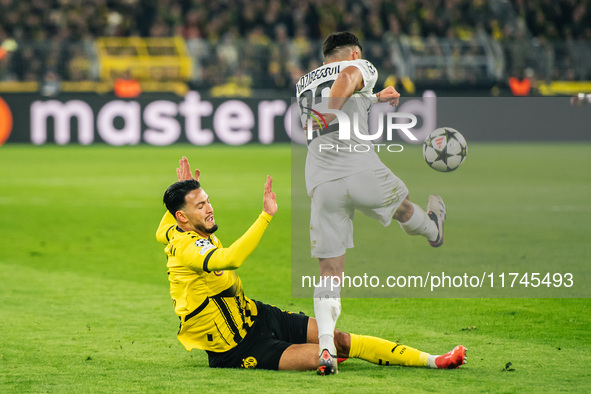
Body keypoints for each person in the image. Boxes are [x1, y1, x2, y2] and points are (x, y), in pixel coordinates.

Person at [155, 157, 466, 372]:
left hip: (254, 315)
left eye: (207, 199)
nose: (210, 208)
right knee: (326, 354)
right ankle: (319, 360)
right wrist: (265, 217)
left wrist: (185, 186)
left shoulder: (172, 226)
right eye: (200, 205)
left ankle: (433, 360)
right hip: (236, 346)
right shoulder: (184, 247)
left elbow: (167, 223)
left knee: (337, 339)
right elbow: (230, 259)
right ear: (182, 218)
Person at [296, 32, 448, 374]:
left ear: (325, 59)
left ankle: (324, 349)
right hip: (362, 171)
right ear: (353, 53)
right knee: (405, 208)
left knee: (329, 273)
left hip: (322, 184)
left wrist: (373, 98)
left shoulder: (304, 82)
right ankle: (433, 230)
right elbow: (349, 79)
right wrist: (333, 112)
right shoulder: (358, 64)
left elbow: (337, 95)